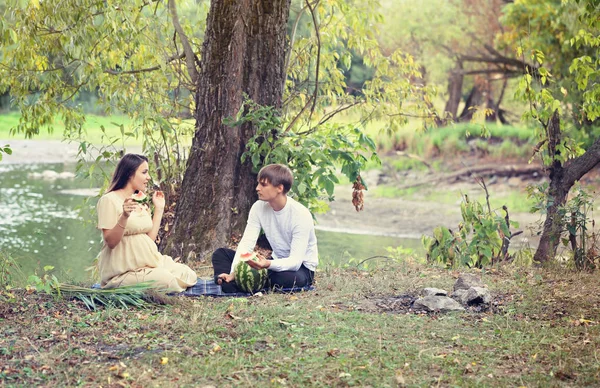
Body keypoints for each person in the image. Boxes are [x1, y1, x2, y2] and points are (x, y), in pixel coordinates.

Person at [96, 153, 197, 292]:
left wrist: (159, 209)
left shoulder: (140, 200)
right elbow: (111, 242)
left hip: (148, 264)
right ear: (130, 174)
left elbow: (148, 239)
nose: (148, 177)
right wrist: (124, 216)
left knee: (187, 273)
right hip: (123, 272)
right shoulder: (109, 200)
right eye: (144, 172)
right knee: (167, 280)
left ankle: (158, 275)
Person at [212, 164, 318, 293]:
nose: (257, 188)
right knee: (221, 254)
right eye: (258, 184)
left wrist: (267, 264)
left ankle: (237, 285)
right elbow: (247, 243)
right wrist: (234, 272)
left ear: (279, 188)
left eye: (263, 185)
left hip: (300, 269)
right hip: (274, 262)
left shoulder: (300, 214)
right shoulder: (258, 207)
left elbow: (295, 262)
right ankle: (230, 280)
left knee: (284, 279)